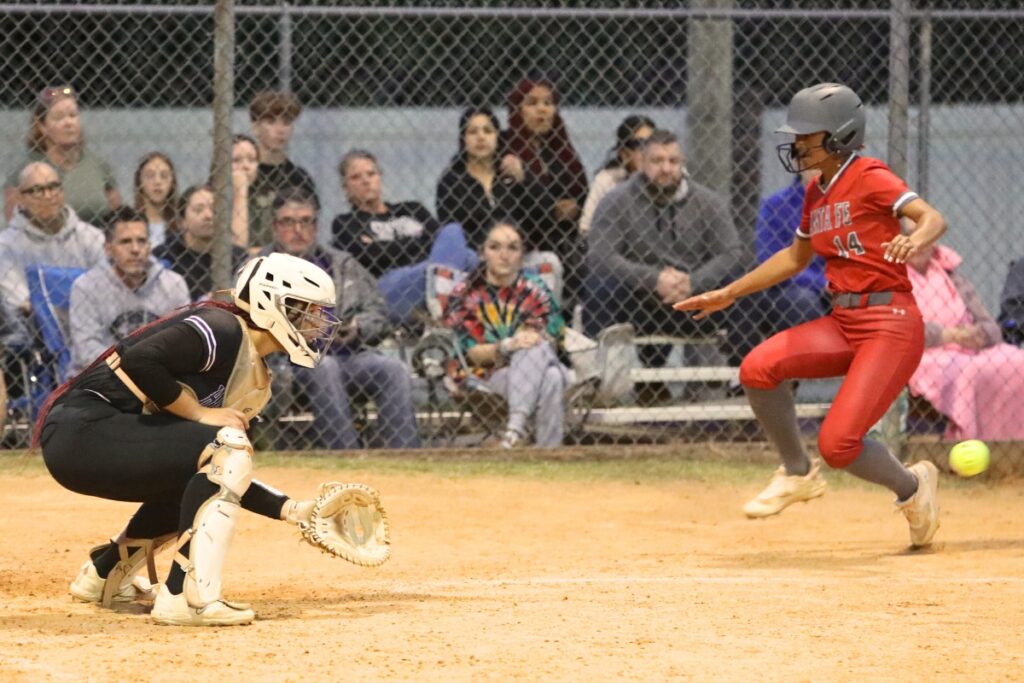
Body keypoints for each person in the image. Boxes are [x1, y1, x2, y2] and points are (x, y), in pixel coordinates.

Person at [674, 83, 948, 548]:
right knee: (758, 368)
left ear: (839, 136)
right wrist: (729, 292)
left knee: (838, 444)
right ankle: (798, 473)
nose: (796, 144)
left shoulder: (870, 173)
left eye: (807, 135)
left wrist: (917, 236)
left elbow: (932, 218)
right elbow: (794, 259)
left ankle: (913, 488)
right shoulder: (818, 191)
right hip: (845, 321)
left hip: (890, 324)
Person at [36, 252, 343, 626]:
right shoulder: (221, 328)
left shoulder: (253, 372)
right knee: (223, 445)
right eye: (309, 311)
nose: (317, 324)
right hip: (82, 433)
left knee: (201, 469)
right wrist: (198, 413)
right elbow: (139, 360)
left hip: (95, 438)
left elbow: (219, 477)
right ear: (274, 303)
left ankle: (104, 577)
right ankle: (188, 598)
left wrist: (292, 510)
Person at [584, 129, 752, 400]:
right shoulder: (616, 201)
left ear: (682, 163)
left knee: (743, 283)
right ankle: (602, 389)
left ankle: (745, 383)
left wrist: (692, 282)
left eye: (673, 161)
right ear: (641, 162)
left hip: (694, 303)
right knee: (599, 285)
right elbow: (600, 256)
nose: (666, 168)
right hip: (638, 302)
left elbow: (731, 253)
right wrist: (654, 280)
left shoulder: (708, 202)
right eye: (657, 161)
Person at [264, 187, 420, 450]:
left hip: (349, 357)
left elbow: (377, 311)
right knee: (324, 366)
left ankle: (404, 457)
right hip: (287, 366)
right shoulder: (259, 268)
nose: (298, 229)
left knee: (392, 370)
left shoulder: (342, 264)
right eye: (288, 222)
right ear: (275, 227)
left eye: (305, 221)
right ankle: (346, 455)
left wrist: (358, 328)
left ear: (316, 226)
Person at [443, 221, 567, 448]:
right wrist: (509, 346)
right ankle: (548, 453)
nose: (504, 255)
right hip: (487, 376)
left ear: (522, 255)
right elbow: (472, 354)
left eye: (512, 248)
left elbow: (553, 335)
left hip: (536, 364)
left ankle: (514, 430)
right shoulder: (465, 294)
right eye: (495, 247)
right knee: (552, 378)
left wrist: (528, 343)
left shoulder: (536, 289)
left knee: (540, 353)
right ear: (482, 253)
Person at [332, 149, 476, 324]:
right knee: (465, 258)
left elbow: (441, 238)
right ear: (346, 189)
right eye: (356, 177)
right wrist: (420, 241)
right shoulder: (345, 223)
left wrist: (389, 247)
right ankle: (444, 302)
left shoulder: (412, 208)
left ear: (380, 177)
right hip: (390, 287)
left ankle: (438, 300)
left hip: (429, 270)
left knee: (454, 232)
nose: (365, 181)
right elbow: (374, 258)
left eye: (371, 173)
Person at [906, 241, 1024, 440]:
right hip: (925, 351)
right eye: (911, 237)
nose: (920, 244)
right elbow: (899, 329)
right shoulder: (892, 278)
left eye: (925, 237)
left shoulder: (951, 276)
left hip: (970, 348)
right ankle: (966, 439)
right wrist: (947, 335)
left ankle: (1013, 443)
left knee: (1017, 361)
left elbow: (992, 326)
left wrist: (980, 334)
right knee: (965, 371)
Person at [69, 207, 190, 372]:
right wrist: (135, 366)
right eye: (125, 242)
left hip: (161, 376)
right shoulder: (85, 287)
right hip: (104, 377)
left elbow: (183, 342)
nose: (135, 249)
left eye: (141, 241)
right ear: (108, 249)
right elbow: (87, 351)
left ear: (149, 245)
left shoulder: (173, 284)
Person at [0, 162, 105, 318]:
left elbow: (106, 290)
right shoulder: (6, 245)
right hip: (34, 331)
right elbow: (23, 304)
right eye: (37, 190)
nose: (48, 196)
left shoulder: (90, 236)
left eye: (53, 187)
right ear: (21, 198)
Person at [4, 85, 121, 225]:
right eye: (58, 118)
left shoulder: (97, 165)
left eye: (73, 115)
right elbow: (14, 222)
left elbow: (117, 218)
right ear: (42, 127)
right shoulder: (26, 169)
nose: (68, 123)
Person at [500, 78, 589, 255]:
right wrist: (551, 208)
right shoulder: (504, 148)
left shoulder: (561, 149)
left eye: (548, 103)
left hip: (564, 240)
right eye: (532, 103)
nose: (542, 109)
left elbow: (582, 192)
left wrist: (576, 208)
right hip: (522, 239)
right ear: (517, 110)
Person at [435, 105, 526, 248]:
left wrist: (524, 179)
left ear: (497, 137)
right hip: (472, 256)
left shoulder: (511, 173)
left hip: (515, 253)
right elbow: (452, 232)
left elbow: (540, 216)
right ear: (463, 139)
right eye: (472, 132)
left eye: (488, 131)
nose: (481, 137)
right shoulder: (451, 181)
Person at [752, 169, 829, 336]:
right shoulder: (775, 205)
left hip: (840, 285)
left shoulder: (848, 202)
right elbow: (769, 260)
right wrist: (822, 283)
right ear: (799, 163)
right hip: (792, 288)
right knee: (803, 301)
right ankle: (813, 359)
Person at [247, 91, 318, 248]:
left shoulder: (299, 178)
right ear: (255, 127)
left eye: (286, 122)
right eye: (271, 122)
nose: (280, 130)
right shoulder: (243, 173)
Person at [153, 184, 247, 301]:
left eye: (214, 209)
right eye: (198, 210)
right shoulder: (165, 256)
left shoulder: (239, 257)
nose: (208, 216)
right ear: (182, 221)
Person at [578, 114, 656, 236]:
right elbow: (585, 229)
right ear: (624, 154)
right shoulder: (607, 180)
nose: (649, 151)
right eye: (640, 144)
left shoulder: (671, 175)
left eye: (653, 143)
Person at [133, 152, 179, 248]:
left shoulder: (181, 226)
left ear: (172, 182)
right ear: (139, 182)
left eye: (164, 176)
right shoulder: (130, 223)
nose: (157, 182)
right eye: (150, 176)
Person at [230, 134, 261, 251]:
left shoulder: (268, 199)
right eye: (236, 160)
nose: (246, 166)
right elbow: (237, 247)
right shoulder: (210, 199)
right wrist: (240, 191)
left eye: (252, 160)